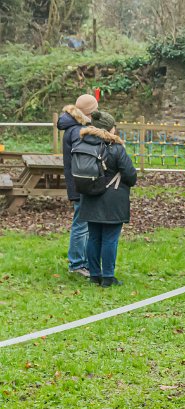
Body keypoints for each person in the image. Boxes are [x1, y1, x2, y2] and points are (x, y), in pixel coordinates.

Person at [75, 111, 137, 287]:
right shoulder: (115, 148)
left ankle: (94, 275)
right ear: (109, 129)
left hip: (89, 196)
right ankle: (108, 277)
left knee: (93, 238)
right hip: (112, 200)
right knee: (110, 238)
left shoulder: (82, 144)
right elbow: (131, 176)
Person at [58, 94, 98, 278]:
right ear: (89, 112)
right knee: (81, 224)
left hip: (78, 182)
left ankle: (83, 262)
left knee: (83, 223)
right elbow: (83, 159)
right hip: (81, 183)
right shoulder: (77, 130)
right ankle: (77, 263)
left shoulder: (73, 126)